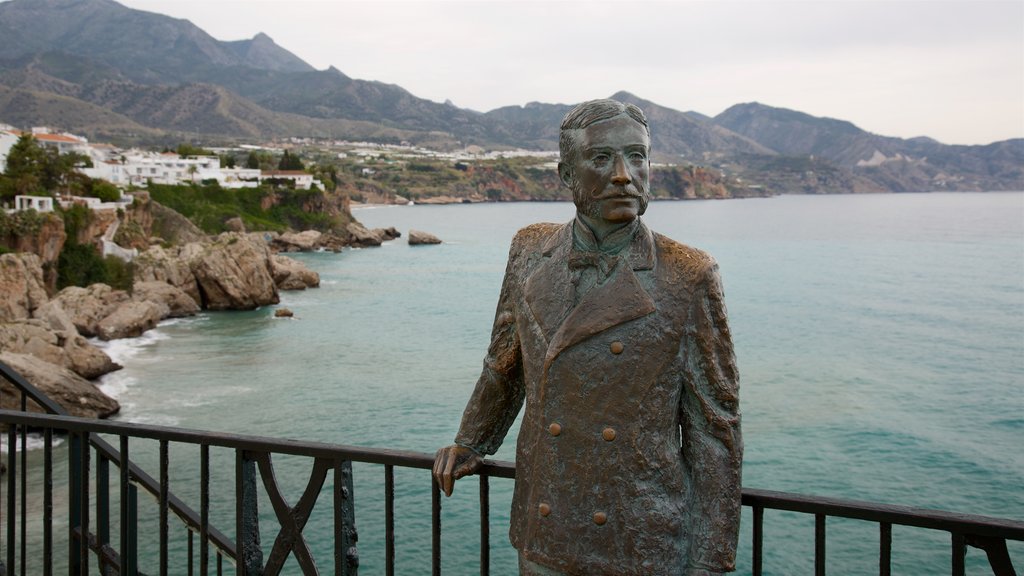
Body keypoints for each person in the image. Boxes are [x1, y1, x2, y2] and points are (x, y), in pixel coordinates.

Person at [433, 98, 742, 576]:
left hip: (641, 537)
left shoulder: (688, 274)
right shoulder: (529, 250)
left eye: (637, 156)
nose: (624, 174)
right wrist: (472, 440)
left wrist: (709, 561)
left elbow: (714, 429)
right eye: (601, 158)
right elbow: (504, 363)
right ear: (565, 173)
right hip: (545, 526)